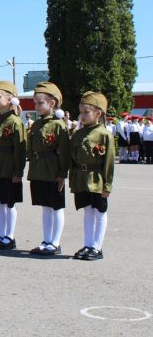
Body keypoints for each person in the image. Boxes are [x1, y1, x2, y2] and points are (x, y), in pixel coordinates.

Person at [69, 92, 115, 261]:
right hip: (82, 179)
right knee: (87, 211)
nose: (82, 116)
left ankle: (97, 246)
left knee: (100, 212)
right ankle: (88, 244)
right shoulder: (79, 134)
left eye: (86, 112)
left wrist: (107, 186)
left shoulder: (104, 134)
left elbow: (109, 162)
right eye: (81, 112)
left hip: (97, 179)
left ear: (98, 113)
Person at [27, 82, 70, 256]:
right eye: (35, 103)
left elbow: (65, 153)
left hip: (52, 170)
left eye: (40, 103)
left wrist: (62, 174)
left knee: (56, 206)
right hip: (38, 170)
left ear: (52, 104)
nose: (36, 106)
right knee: (45, 206)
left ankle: (56, 242)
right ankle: (46, 240)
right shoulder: (36, 125)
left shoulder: (58, 125)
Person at [0, 81, 27, 250]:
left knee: (9, 202)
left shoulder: (15, 122)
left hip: (9, 167)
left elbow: (20, 149)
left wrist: (18, 171)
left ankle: (9, 236)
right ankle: (1, 234)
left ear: (10, 100)